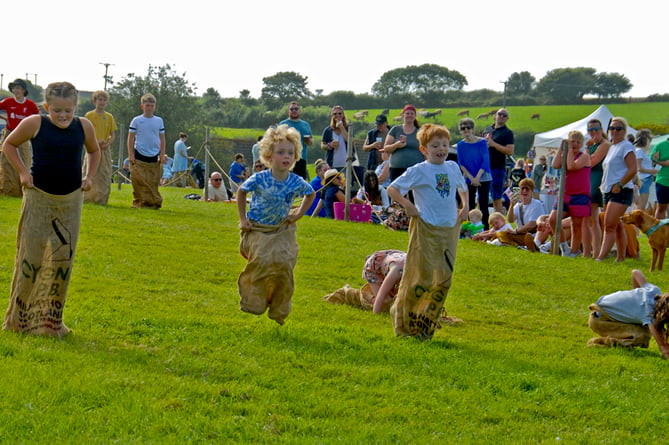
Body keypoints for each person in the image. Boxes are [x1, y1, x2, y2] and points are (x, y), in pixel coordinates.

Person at [1, 81, 100, 336]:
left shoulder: (84, 126)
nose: (63, 115)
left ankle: (50, 322)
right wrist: (23, 173)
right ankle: (19, 320)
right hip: (39, 198)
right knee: (31, 259)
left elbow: (94, 151)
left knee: (61, 262)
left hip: (70, 201)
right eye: (57, 110)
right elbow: (8, 145)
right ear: (47, 107)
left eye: (68, 110)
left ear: (76, 107)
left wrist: (88, 177)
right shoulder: (35, 123)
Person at [387, 123, 468, 339]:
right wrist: (407, 204)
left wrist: (465, 205)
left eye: (444, 145)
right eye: (435, 146)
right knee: (420, 278)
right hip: (426, 228)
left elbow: (462, 187)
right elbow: (392, 189)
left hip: (449, 229)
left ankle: (425, 324)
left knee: (443, 279)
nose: (441, 149)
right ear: (424, 149)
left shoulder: (451, 167)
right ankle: (404, 323)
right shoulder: (419, 171)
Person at [236, 124, 315, 325]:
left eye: (290, 152)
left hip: (281, 228)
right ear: (269, 156)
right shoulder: (260, 178)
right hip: (257, 229)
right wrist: (243, 219)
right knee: (262, 261)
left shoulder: (296, 181)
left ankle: (279, 308)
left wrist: (298, 215)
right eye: (280, 152)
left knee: (283, 265)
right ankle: (254, 301)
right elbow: (241, 192)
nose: (286, 156)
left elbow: (311, 194)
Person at [587, 269, 669, 359]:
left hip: (599, 311)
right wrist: (665, 349)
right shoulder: (649, 312)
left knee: (642, 327)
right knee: (643, 335)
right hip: (600, 321)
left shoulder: (654, 290)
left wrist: (633, 300)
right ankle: (605, 342)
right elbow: (662, 347)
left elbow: (635, 272)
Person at [596, 117, 637, 262]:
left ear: (624, 131)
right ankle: (620, 257)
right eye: (612, 128)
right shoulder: (612, 147)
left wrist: (620, 184)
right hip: (608, 191)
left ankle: (600, 257)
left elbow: (633, 169)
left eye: (618, 128)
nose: (614, 131)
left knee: (609, 225)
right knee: (617, 225)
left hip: (621, 190)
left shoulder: (626, 146)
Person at [548, 131, 591, 257]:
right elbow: (555, 165)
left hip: (580, 195)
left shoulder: (584, 156)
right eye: (573, 141)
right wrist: (562, 149)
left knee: (576, 224)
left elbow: (572, 166)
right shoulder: (567, 154)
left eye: (578, 142)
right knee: (553, 220)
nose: (575, 144)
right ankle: (564, 247)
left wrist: (570, 150)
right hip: (565, 194)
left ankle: (573, 251)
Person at [0, 78, 40, 197]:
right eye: (14, 88)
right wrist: (5, 119)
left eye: (18, 88)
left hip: (24, 136)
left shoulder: (30, 105)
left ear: (23, 90)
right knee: (6, 161)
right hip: (9, 134)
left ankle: (22, 188)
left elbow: (38, 118)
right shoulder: (8, 102)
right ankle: (8, 189)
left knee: (24, 160)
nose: (15, 90)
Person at [127, 93, 166, 209]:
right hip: (139, 153)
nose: (149, 108)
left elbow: (162, 138)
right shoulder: (136, 120)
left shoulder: (159, 121)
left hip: (154, 154)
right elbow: (130, 138)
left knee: (152, 180)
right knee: (140, 180)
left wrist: (162, 154)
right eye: (147, 105)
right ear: (142, 106)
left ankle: (153, 201)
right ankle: (140, 201)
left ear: (155, 107)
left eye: (152, 105)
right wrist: (130, 154)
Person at [82, 90, 117, 204]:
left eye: (104, 100)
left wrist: (107, 143)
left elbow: (112, 134)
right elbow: (85, 133)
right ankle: (87, 197)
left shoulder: (109, 117)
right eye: (99, 99)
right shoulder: (89, 115)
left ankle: (101, 199)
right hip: (92, 148)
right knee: (89, 171)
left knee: (104, 174)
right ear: (95, 101)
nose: (102, 102)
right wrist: (95, 142)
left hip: (104, 149)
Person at [457, 117, 492, 230]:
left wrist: (477, 178)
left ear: (472, 129)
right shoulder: (460, 145)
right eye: (463, 128)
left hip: (483, 176)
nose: (466, 130)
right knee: (469, 203)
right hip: (468, 177)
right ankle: (471, 227)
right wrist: (472, 178)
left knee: (483, 203)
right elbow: (461, 164)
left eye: (468, 127)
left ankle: (485, 227)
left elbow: (485, 160)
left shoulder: (482, 142)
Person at [584, 118, 611, 259]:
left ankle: (595, 251)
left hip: (596, 182)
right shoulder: (594, 145)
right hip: (589, 181)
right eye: (590, 129)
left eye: (596, 129)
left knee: (593, 220)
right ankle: (591, 251)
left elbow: (591, 162)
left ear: (601, 129)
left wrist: (587, 149)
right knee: (591, 220)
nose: (593, 132)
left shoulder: (605, 145)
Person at [495, 178, 544, 251]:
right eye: (522, 189)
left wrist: (516, 231)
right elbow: (510, 220)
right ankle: (510, 243)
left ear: (532, 191)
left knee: (526, 237)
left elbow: (531, 225)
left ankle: (515, 244)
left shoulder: (537, 204)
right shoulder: (518, 205)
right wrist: (511, 205)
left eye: (527, 189)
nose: (524, 191)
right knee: (501, 233)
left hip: (532, 235)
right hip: (520, 235)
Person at [483, 108, 514, 214]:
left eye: (504, 115)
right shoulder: (487, 129)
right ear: (494, 116)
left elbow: (510, 151)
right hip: (483, 168)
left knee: (496, 198)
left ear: (507, 119)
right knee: (482, 197)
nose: (501, 116)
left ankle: (499, 224)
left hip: (497, 168)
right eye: (500, 114)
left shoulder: (508, 133)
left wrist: (493, 144)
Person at [384, 104, 423, 182]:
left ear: (415, 116)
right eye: (407, 113)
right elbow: (386, 148)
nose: (410, 115)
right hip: (397, 169)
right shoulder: (395, 129)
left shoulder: (420, 131)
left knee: (414, 194)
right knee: (396, 192)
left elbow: (426, 150)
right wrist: (396, 145)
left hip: (415, 169)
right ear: (403, 115)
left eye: (412, 114)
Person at [362, 250, 407, 315]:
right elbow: (381, 294)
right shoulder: (396, 271)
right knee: (386, 301)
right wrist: (375, 313)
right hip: (372, 267)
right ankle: (368, 300)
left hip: (390, 257)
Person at [279, 101, 312, 180]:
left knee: (300, 184)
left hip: (301, 158)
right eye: (291, 109)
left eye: (296, 109)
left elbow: (311, 141)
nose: (294, 111)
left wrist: (309, 141)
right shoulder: (283, 124)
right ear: (288, 112)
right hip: (286, 158)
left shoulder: (305, 125)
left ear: (299, 111)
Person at [633, 129, 656, 211]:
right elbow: (639, 168)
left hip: (645, 179)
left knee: (639, 206)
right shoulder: (639, 151)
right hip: (644, 179)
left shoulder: (640, 151)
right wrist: (653, 171)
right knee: (641, 207)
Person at [650, 135, 669, 220]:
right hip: (663, 181)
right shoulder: (660, 146)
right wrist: (663, 163)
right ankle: (658, 230)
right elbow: (652, 164)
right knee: (661, 207)